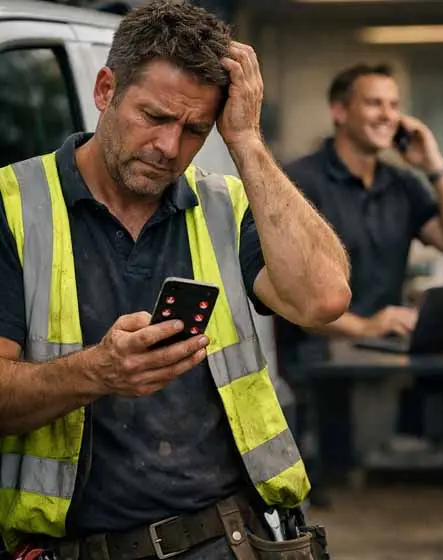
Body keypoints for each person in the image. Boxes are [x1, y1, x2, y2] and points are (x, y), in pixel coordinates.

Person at [0, 2, 351, 559]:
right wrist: (98, 372)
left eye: (194, 129)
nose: (169, 148)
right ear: (105, 88)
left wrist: (247, 143)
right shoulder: (13, 206)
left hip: (233, 539)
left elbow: (324, 299)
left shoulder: (226, 204)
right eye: (154, 117)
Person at [276, 63, 443, 502]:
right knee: (340, 493)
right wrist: (364, 325)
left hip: (383, 361)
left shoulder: (403, 184)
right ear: (340, 111)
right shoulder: (299, 180)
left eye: (394, 105)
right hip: (317, 367)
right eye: (374, 103)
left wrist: (435, 167)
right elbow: (292, 293)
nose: (388, 115)